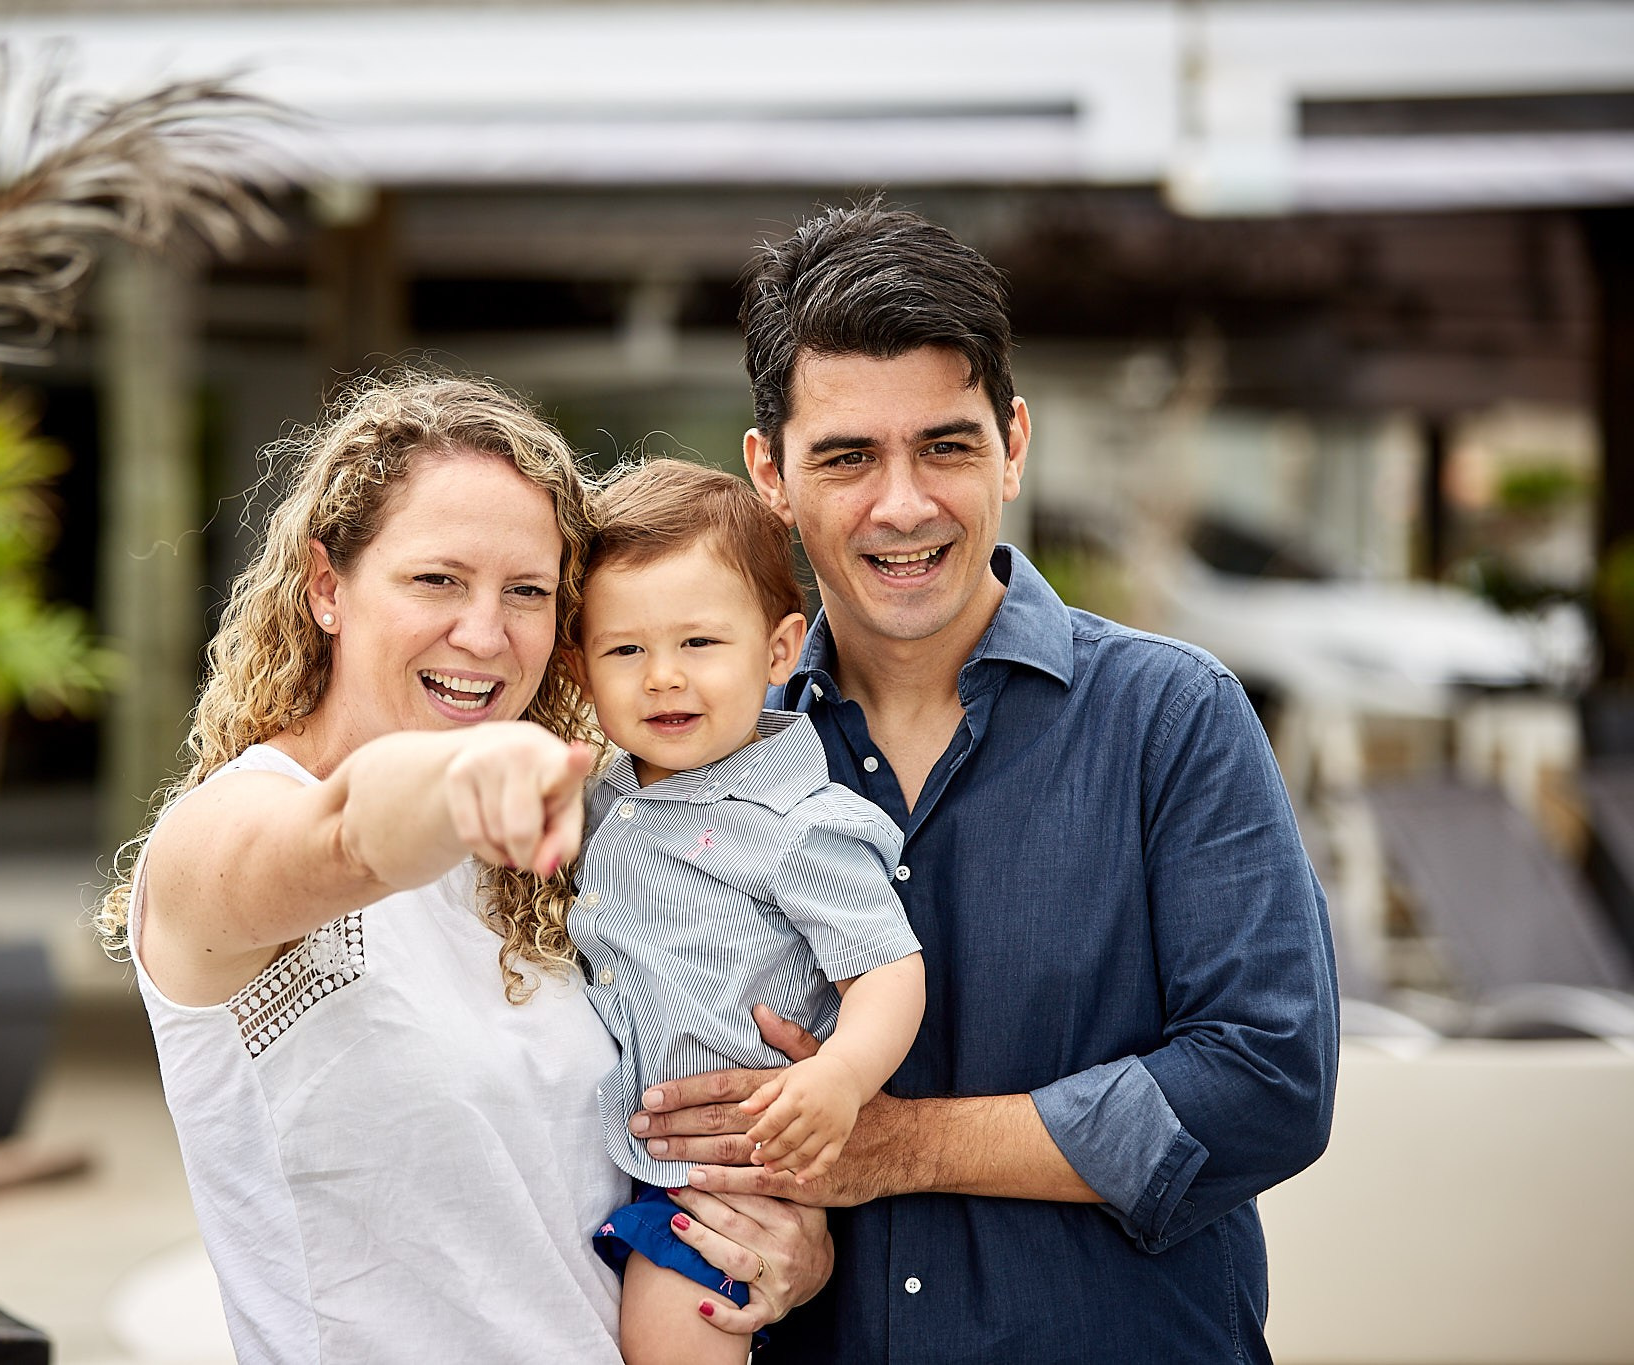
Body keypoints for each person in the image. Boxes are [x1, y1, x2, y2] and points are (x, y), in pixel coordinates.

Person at [627, 202, 1341, 1361]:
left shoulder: (1171, 718)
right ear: (769, 474)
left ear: (1011, 443)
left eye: (945, 447)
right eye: (846, 457)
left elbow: (1266, 1083)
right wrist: (766, 1241)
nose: (902, 504)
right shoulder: (693, 765)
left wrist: (897, 1145)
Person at [93, 374, 831, 1364]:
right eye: (437, 580)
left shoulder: (580, 837)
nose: (485, 635)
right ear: (326, 588)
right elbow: (347, 835)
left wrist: (777, 1242)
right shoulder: (223, 834)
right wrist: (463, 780)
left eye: (526, 592)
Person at [570, 460, 926, 1365]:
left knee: (666, 1340)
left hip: (728, 1184)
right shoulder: (599, 797)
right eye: (624, 650)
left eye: (699, 642)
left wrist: (840, 1076)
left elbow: (888, 968)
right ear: (579, 663)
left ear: (778, 650)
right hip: (616, 1161)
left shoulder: (798, 824)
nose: (663, 678)